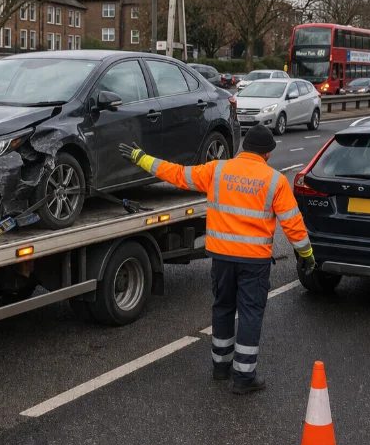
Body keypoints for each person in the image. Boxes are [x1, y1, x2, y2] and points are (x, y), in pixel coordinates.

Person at [119, 125, 314, 394]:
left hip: (221, 258)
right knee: (249, 314)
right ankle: (244, 378)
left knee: (222, 308)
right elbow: (293, 224)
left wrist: (141, 158)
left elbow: (177, 174)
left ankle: (220, 368)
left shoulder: (217, 170)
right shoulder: (275, 181)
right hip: (254, 262)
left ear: (244, 148)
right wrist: (306, 255)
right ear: (267, 153)